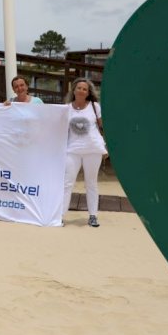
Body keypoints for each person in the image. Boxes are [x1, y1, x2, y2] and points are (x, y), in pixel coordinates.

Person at [62, 78, 107, 228]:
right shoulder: (66, 108)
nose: (81, 91)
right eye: (79, 88)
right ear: (73, 90)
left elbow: (104, 127)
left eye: (84, 89)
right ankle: (60, 216)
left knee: (91, 183)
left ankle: (93, 215)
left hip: (93, 150)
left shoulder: (95, 106)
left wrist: (105, 146)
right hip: (72, 150)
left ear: (88, 93)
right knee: (67, 183)